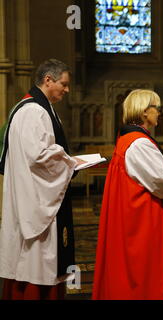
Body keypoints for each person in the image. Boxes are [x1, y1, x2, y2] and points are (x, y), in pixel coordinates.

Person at [92, 89, 163, 300]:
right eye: (156, 108)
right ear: (144, 112)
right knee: (143, 271)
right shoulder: (140, 142)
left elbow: (144, 169)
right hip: (141, 219)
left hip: (129, 214)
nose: (160, 113)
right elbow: (159, 180)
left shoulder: (128, 137)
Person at [0, 59, 83, 299]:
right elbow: (39, 157)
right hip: (35, 204)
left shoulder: (37, 107)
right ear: (48, 80)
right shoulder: (34, 111)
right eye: (63, 84)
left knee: (35, 262)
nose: (66, 90)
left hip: (34, 197)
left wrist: (67, 161)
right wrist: (71, 162)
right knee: (34, 265)